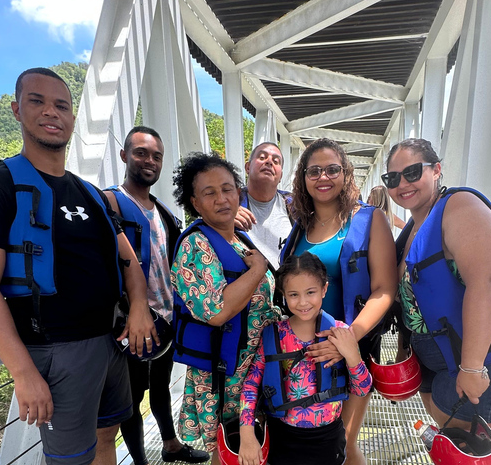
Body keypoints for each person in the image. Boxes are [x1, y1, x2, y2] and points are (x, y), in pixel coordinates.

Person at [0, 68, 155, 465]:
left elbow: (128, 258)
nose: (51, 112)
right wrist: (22, 370)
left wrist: (138, 307)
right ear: (16, 110)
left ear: (72, 117)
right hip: (54, 349)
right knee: (69, 458)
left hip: (108, 341)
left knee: (105, 433)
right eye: (37, 101)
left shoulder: (89, 193)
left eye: (61, 105)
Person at [384, 138, 491, 447]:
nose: (402, 183)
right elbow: (412, 301)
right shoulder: (413, 227)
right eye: (393, 178)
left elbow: (483, 286)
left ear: (436, 170)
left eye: (412, 172)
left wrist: (472, 368)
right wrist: (405, 349)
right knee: (452, 447)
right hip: (445, 359)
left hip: (488, 360)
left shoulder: (461, 208)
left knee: (466, 455)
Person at [280, 138, 397, 465]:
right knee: (317, 446)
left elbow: (385, 289)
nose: (323, 177)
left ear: (346, 174)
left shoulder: (370, 219)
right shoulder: (300, 225)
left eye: (333, 169)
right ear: (303, 178)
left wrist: (347, 340)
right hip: (304, 353)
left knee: (341, 444)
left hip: (350, 349)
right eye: (314, 171)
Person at [104, 127, 208, 464]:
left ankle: (171, 444)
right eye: (140, 152)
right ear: (124, 155)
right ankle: (140, 461)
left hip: (165, 318)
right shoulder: (110, 203)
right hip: (131, 321)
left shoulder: (163, 212)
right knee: (132, 397)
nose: (149, 160)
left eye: (156, 156)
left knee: (161, 386)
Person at [170, 152, 281, 464]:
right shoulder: (196, 245)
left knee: (252, 451)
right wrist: (258, 270)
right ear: (194, 202)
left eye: (228, 188)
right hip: (224, 378)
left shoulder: (239, 239)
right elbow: (216, 311)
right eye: (209, 192)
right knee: (229, 451)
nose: (222, 199)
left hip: (253, 369)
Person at [239, 252, 372, 465]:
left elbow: (363, 388)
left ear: (324, 289)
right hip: (282, 436)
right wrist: (247, 434)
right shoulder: (274, 334)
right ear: (283, 294)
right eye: (293, 295)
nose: (302, 302)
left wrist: (353, 355)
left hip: (327, 439)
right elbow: (251, 384)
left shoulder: (340, 332)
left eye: (310, 292)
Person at [235, 142, 294, 269]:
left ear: (281, 176)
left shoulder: (295, 205)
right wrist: (225, 215)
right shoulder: (230, 202)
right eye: (262, 157)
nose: (269, 162)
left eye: (276, 161)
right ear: (248, 167)